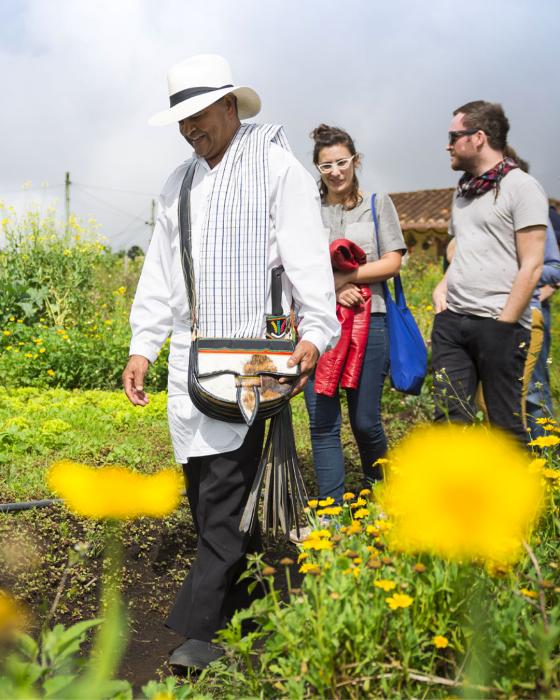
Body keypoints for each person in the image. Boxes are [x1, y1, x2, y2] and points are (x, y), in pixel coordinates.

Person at [122, 54, 339, 672]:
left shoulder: (276, 168)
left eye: (198, 115)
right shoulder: (178, 184)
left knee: (223, 491)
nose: (191, 129)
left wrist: (315, 332)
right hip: (191, 358)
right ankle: (245, 618)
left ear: (230, 106)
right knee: (207, 493)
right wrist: (145, 345)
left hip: (253, 356)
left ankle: (197, 633)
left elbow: (306, 260)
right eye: (181, 120)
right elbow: (160, 275)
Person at [431, 101, 548, 444]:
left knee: (505, 427)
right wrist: (442, 286)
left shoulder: (522, 187)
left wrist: (504, 325)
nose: (447, 144)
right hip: (453, 323)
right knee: (449, 422)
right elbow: (464, 248)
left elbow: (533, 265)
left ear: (478, 137)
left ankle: (525, 499)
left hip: (500, 324)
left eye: (454, 136)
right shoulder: (464, 190)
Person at [303, 124, 406, 505]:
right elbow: (294, 267)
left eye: (341, 162)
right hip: (318, 324)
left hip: (370, 321)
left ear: (355, 161)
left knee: (365, 420)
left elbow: (392, 262)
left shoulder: (378, 205)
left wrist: (347, 276)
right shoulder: (306, 210)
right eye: (326, 165)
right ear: (317, 167)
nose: (335, 172)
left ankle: (382, 492)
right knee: (323, 422)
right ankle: (330, 511)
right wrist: (333, 286)